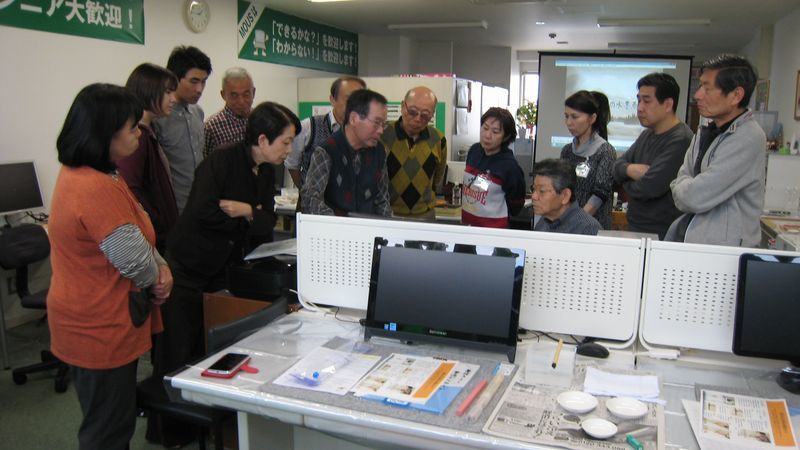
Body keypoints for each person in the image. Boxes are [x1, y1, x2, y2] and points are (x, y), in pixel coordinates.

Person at [149, 101, 300, 446]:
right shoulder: (221, 161)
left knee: (212, 346)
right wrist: (252, 215)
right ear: (263, 139)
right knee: (177, 347)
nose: (288, 150)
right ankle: (169, 432)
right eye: (285, 142)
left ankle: (207, 421)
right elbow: (204, 212)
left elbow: (266, 217)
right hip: (189, 265)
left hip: (223, 267)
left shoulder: (266, 169)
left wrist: (247, 211)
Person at [47, 83, 172, 450]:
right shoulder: (93, 187)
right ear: (105, 132)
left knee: (108, 419)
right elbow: (133, 257)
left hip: (95, 315)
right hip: (97, 325)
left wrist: (159, 265)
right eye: (132, 126)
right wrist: (159, 277)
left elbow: (139, 228)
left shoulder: (100, 174)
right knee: (107, 430)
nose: (138, 133)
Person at [666, 54, 766, 247]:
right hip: (694, 242)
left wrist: (686, 187)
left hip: (724, 252)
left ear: (736, 95)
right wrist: (687, 187)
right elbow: (680, 181)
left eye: (707, 88)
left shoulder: (748, 137)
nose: (698, 95)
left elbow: (693, 197)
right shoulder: (706, 130)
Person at [613, 73, 694, 240]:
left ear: (668, 104)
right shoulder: (647, 134)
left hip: (663, 234)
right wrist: (630, 169)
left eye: (647, 101)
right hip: (637, 227)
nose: (640, 107)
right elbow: (615, 166)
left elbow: (648, 188)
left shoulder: (681, 139)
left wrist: (624, 182)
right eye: (639, 100)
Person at [117, 63, 179, 253]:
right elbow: (132, 189)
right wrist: (156, 221)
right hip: (151, 237)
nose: (173, 99)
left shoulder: (147, 132)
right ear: (148, 91)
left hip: (159, 234)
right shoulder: (137, 137)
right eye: (168, 92)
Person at [301, 89, 392, 216]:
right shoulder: (327, 151)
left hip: (369, 231)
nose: (381, 130)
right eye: (376, 123)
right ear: (354, 118)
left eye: (384, 124)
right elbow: (311, 199)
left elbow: (382, 200)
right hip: (334, 231)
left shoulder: (379, 151)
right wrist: (340, 227)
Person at [154, 45, 212, 213]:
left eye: (204, 81)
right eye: (194, 81)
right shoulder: (158, 118)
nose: (200, 89)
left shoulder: (198, 113)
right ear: (174, 78)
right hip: (171, 210)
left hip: (199, 207)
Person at [286, 76, 366, 189]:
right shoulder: (309, 126)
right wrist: (306, 192)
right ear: (332, 99)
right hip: (313, 203)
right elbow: (292, 164)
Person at [381, 86, 447, 219]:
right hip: (388, 214)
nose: (417, 119)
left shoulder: (438, 140)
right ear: (402, 106)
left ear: (432, 114)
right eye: (412, 112)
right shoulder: (382, 134)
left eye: (425, 115)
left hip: (425, 215)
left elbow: (437, 179)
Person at [461, 107, 526, 228]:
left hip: (493, 231)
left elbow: (516, 205)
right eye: (485, 128)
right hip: (467, 227)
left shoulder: (509, 166)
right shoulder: (474, 150)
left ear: (506, 137)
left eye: (495, 132)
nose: (487, 135)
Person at [560, 90, 616, 229]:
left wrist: (577, 222)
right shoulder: (567, 150)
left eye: (575, 117)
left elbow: (600, 194)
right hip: (567, 223)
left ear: (592, 118)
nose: (569, 122)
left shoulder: (605, 151)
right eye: (566, 116)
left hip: (593, 226)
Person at [531, 159, 601, 235]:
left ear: (565, 196)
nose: (534, 196)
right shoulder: (543, 222)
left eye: (542, 191)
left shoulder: (588, 228)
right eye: (533, 189)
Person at [204, 67, 256, 157]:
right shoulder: (211, 127)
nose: (241, 101)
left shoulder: (260, 119)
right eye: (234, 95)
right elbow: (203, 164)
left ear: (253, 93)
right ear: (223, 95)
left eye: (246, 94)